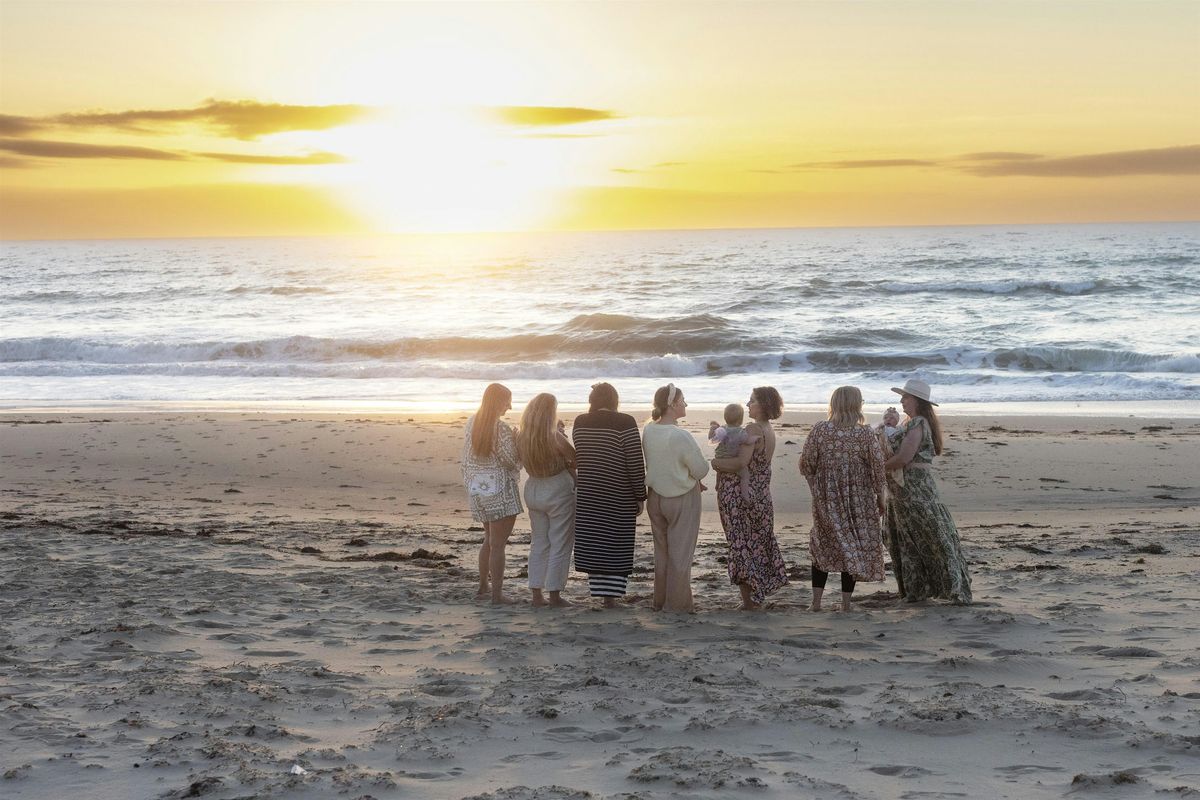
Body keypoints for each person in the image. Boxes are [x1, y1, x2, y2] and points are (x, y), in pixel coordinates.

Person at [883, 378, 972, 604]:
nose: (902, 401)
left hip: (914, 489)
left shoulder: (918, 423)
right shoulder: (910, 423)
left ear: (918, 401)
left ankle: (945, 588)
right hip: (903, 490)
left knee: (927, 536)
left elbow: (904, 457)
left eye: (906, 397)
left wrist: (877, 468)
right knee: (910, 539)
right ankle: (918, 589)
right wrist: (890, 425)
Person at [799, 386, 887, 612]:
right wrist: (880, 496)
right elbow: (877, 467)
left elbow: (806, 463)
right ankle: (846, 604)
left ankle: (816, 603)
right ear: (857, 405)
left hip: (826, 497)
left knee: (823, 544)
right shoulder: (865, 433)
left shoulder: (820, 429)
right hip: (858, 498)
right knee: (853, 544)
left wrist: (816, 489)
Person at [711, 386, 788, 610]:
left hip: (743, 497)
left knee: (741, 544)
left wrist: (715, 464)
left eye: (752, 401)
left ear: (763, 405)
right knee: (756, 544)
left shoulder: (754, 427)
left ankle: (749, 602)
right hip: (761, 494)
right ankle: (755, 596)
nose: (747, 405)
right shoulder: (768, 428)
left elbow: (740, 463)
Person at [571, 382, 646, 607]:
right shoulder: (625, 422)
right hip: (617, 492)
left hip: (590, 491)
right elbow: (634, 461)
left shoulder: (580, 422)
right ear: (614, 400)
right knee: (616, 543)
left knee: (596, 542)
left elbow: (580, 456)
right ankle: (610, 599)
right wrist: (640, 495)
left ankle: (604, 596)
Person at [643, 383, 709, 613]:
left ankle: (659, 600)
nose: (686, 404)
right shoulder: (680, 435)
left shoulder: (649, 430)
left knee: (662, 553)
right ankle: (678, 605)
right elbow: (700, 469)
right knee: (680, 555)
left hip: (656, 498)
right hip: (680, 498)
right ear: (672, 405)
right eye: (682, 401)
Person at [461, 383, 522, 605]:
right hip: (498, 488)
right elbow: (511, 461)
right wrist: (517, 440)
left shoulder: (472, 422)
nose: (510, 407)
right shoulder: (501, 428)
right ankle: (497, 595)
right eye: (507, 402)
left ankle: (483, 585)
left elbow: (467, 458)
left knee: (488, 539)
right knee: (498, 545)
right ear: (498, 402)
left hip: (478, 485)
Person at [517, 393, 576, 608]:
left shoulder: (521, 435)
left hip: (533, 486)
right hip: (556, 487)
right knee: (560, 542)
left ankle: (536, 593)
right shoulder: (554, 437)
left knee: (539, 542)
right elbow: (574, 458)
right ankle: (554, 594)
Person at [708, 403, 758, 500]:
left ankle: (718, 484)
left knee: (720, 472)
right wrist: (755, 438)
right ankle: (745, 494)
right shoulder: (740, 432)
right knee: (745, 474)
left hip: (720, 457)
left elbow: (712, 439)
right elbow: (747, 440)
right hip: (732, 458)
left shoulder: (721, 429)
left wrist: (712, 428)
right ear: (741, 420)